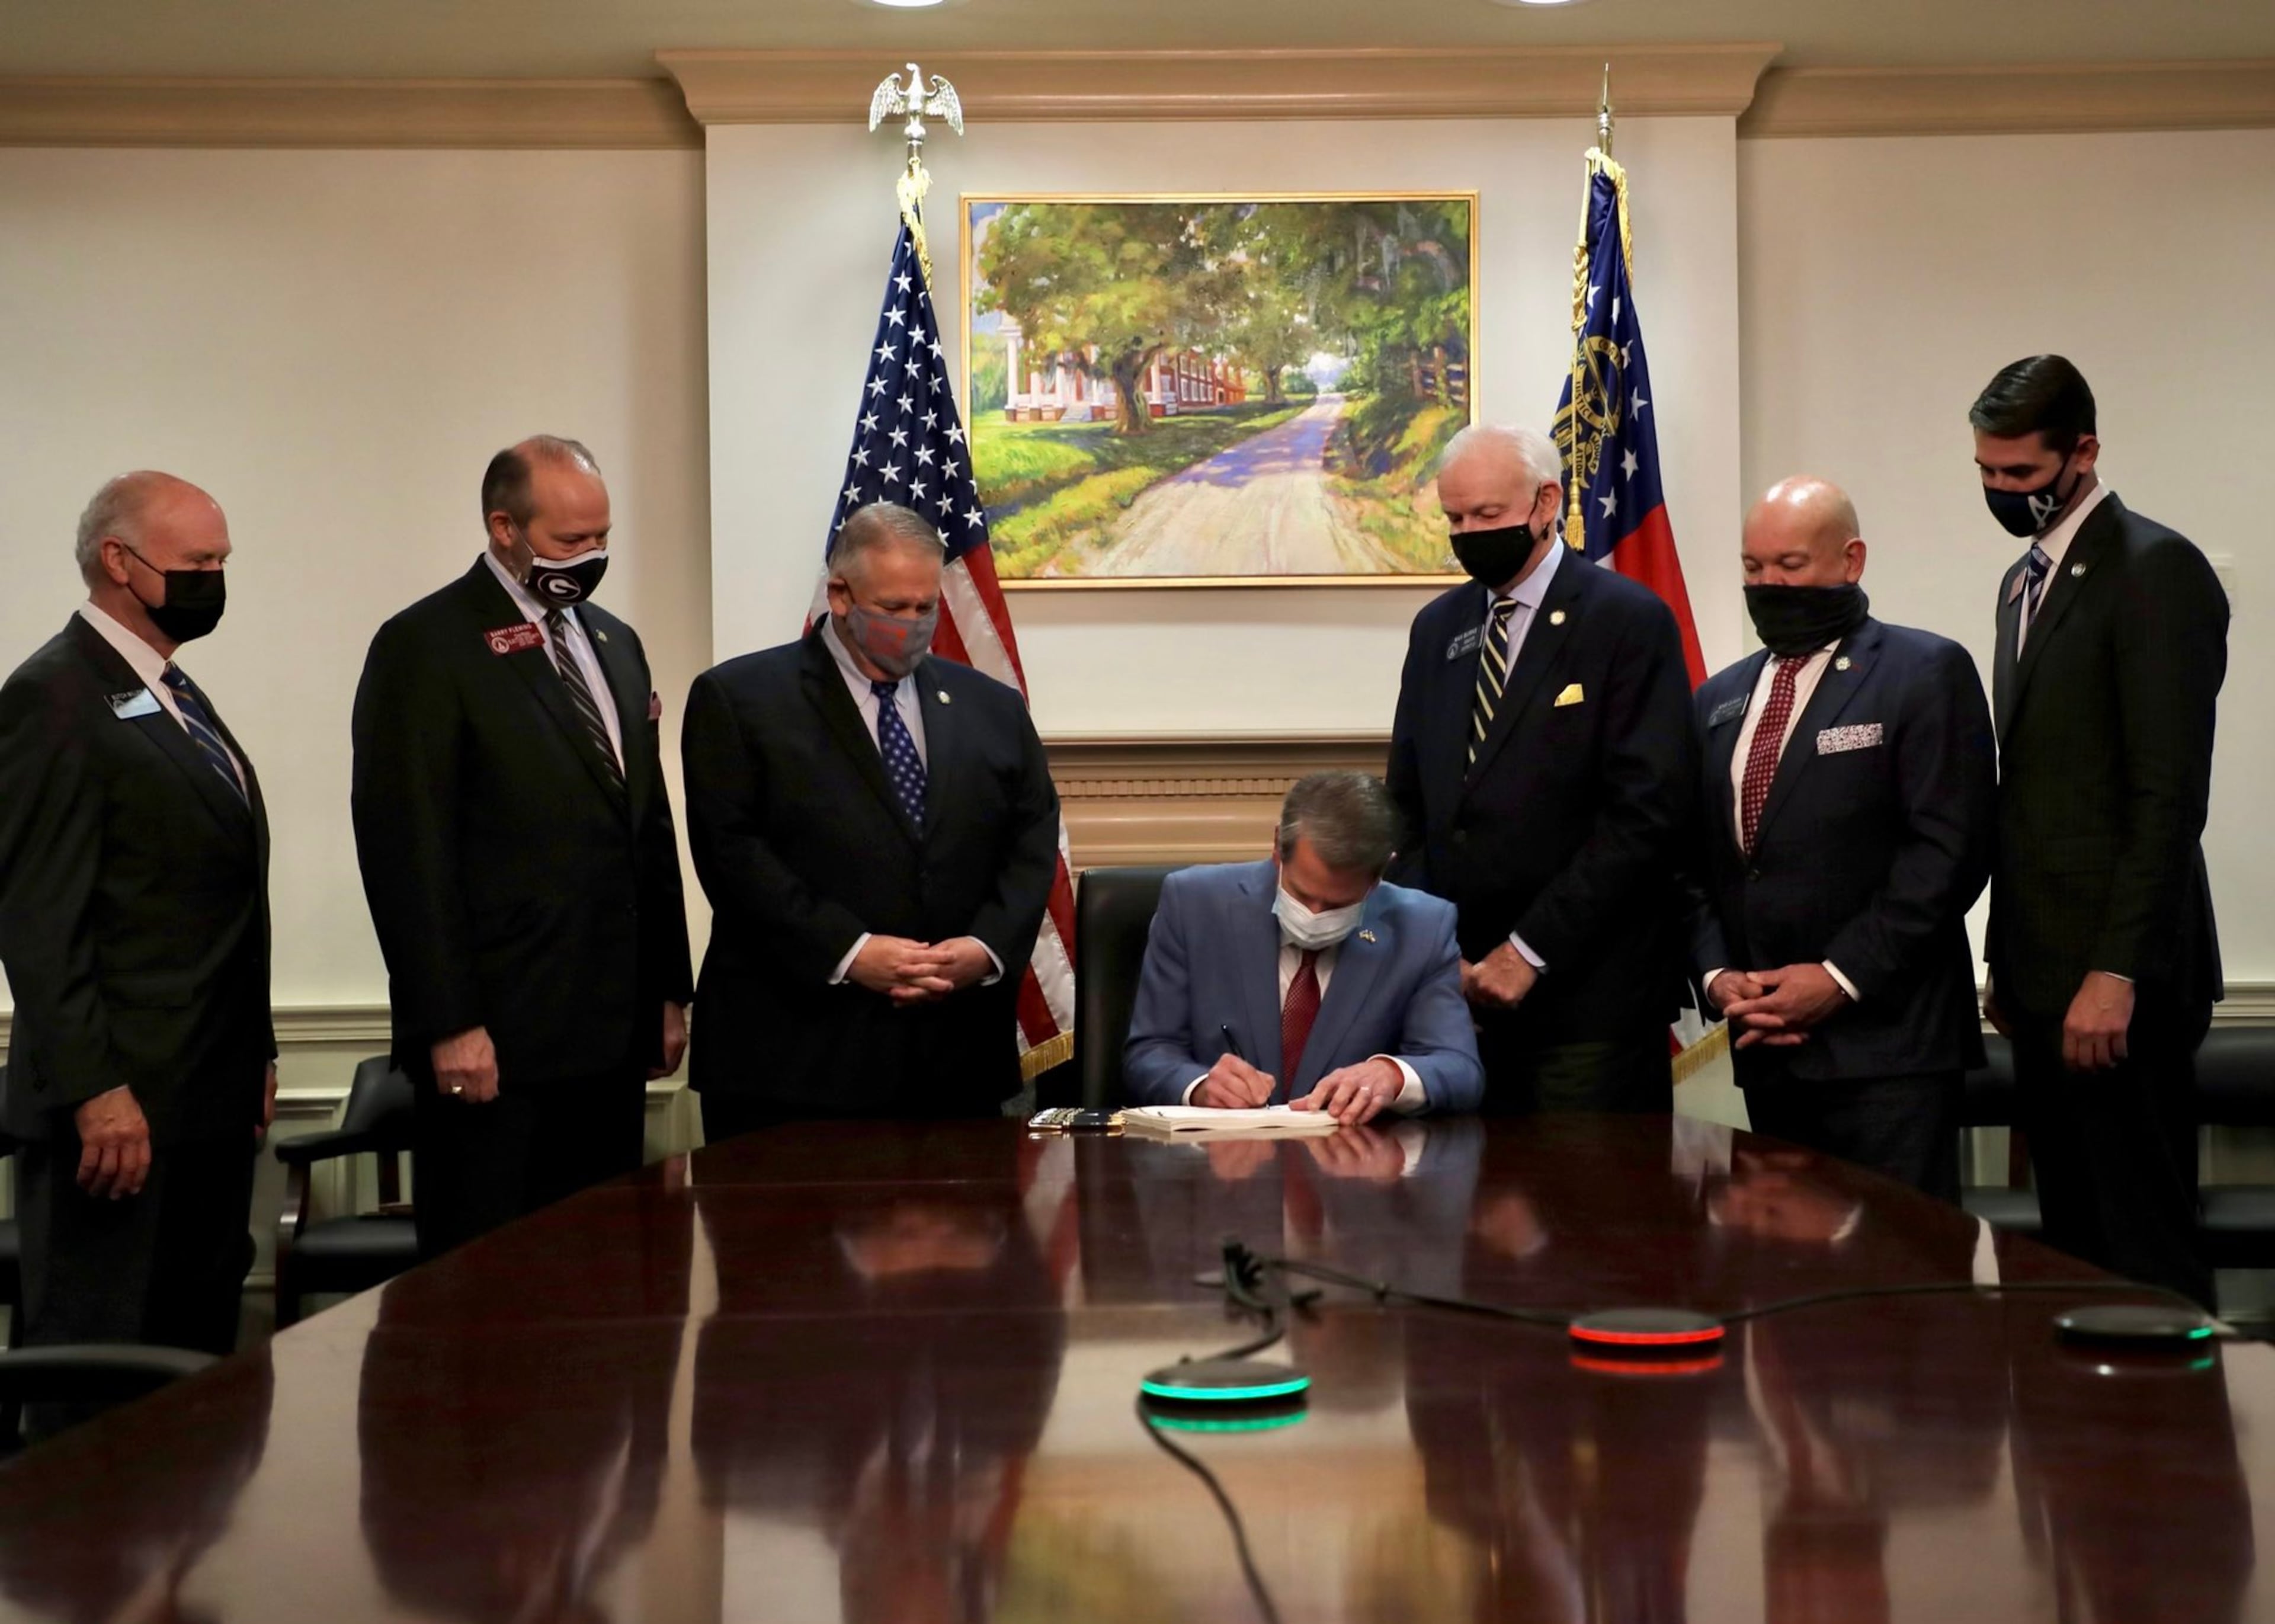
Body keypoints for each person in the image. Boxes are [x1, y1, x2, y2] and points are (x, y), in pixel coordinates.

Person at [351, 436, 693, 1258]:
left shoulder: (613, 641)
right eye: (570, 541)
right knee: (489, 1286)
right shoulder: (427, 645)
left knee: (601, 1278)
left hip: (610, 1035)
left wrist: (668, 988)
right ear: (504, 527)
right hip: (497, 1039)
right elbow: (407, 850)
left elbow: (646, 825)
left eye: (602, 537)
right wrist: (449, 1023)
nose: (592, 556)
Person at [0, 472, 274, 1366]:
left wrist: (258, 1050)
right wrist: (95, 1090)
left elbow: (214, 896)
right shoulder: (55, 694)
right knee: (102, 1369)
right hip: (120, 1118)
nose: (216, 580)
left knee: (195, 1381)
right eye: (198, 561)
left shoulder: (171, 693)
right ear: (120, 561)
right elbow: (41, 916)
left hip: (207, 1100)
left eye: (222, 561)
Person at [1973, 354, 2228, 1305]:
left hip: (2123, 983)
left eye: (2023, 476)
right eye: (1988, 474)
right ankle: (2090, 1454)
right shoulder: (2021, 581)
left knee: (2142, 1243)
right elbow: (2035, 795)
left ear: (2084, 451)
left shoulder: (2155, 568)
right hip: (2044, 975)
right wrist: (2008, 957)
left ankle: (2177, 1450)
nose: (2003, 492)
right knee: (2072, 1249)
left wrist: (2113, 973)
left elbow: (2167, 797)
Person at [680, 501, 1059, 1136]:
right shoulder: (741, 700)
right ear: (841, 595)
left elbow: (1032, 838)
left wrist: (984, 948)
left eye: (926, 607)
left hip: (952, 1067)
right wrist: (850, 951)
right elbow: (733, 855)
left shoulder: (989, 707)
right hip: (793, 1069)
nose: (912, 625)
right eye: (892, 608)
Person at [1688, 476, 1995, 1200]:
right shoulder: (1719, 699)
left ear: (1851, 560)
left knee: (1899, 1281)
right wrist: (1718, 976)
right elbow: (1694, 861)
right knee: (1791, 1284)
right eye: (1753, 568)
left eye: (1790, 566)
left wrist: (1836, 977)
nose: (1768, 584)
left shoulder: (1924, 672)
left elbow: (1950, 853)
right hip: (1767, 1042)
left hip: (1890, 1050)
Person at [1386, 422, 1697, 1114]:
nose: (1468, 533)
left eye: (1488, 515)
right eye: (1455, 518)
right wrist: (1439, 952)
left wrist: (1526, 951)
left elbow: (1645, 815)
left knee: (1588, 1215)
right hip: (1455, 1005)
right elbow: (1406, 810)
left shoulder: (1627, 619)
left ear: (1545, 501)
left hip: (1588, 1004)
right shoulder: (1438, 629)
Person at [1122, 770, 1483, 1119]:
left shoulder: (1423, 928)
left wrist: (1392, 1075)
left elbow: (1459, 1068)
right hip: (1223, 1167)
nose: (1314, 915)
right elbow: (1150, 1054)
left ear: (1378, 876)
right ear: (1279, 847)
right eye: (1303, 894)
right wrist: (1199, 1086)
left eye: (1337, 905)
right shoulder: (1193, 904)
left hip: (1352, 1170)